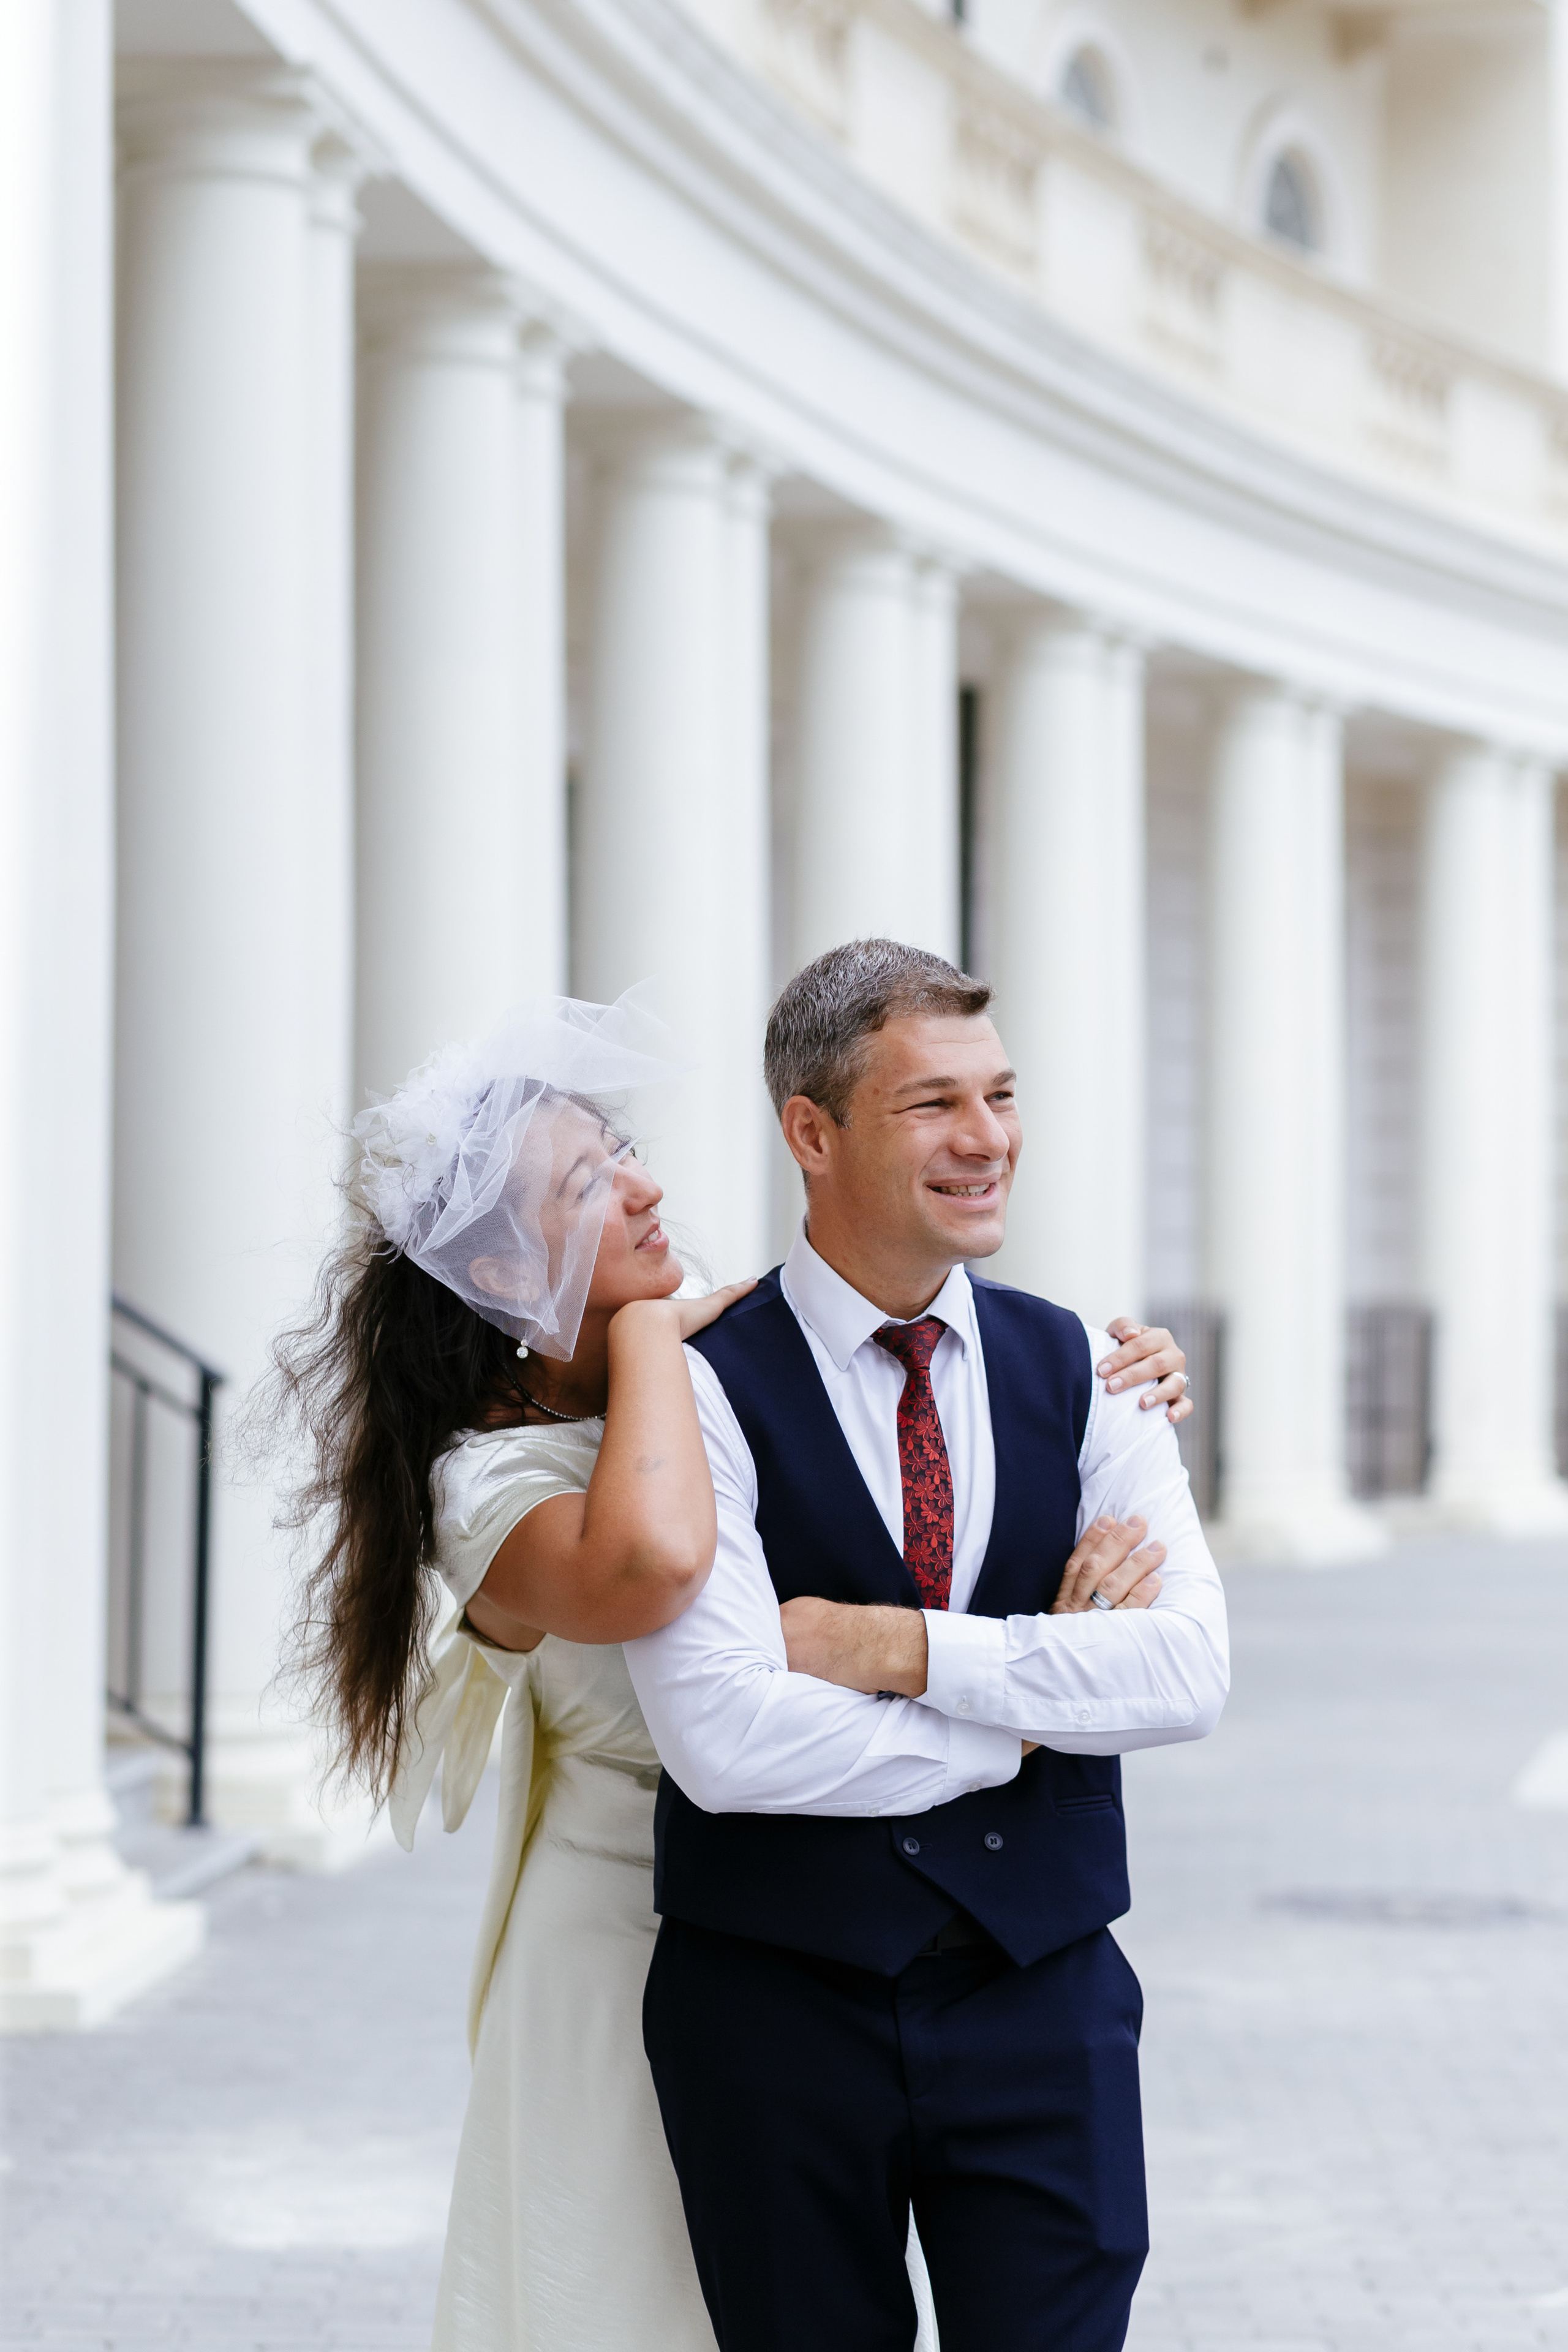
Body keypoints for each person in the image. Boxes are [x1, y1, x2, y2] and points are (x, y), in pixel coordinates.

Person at [273, 985, 1192, 2352]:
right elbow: (655, 1564)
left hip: (836, 1907)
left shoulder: (721, 1357)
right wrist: (1025, 1721)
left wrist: (1083, 1381)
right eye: (585, 1185)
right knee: (641, 2306)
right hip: (631, 1933)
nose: (644, 1187)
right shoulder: (500, 1475)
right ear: (506, 1274)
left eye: (622, 1151)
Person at [627, 938, 1231, 2352]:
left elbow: (1183, 1673)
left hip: (1044, 1997)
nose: (986, 1140)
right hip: (771, 2009)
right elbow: (726, 1743)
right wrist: (1034, 1702)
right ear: (810, 1132)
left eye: (999, 1096)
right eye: (932, 1105)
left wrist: (897, 1649)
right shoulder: (695, 1392)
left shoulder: (1094, 1368)